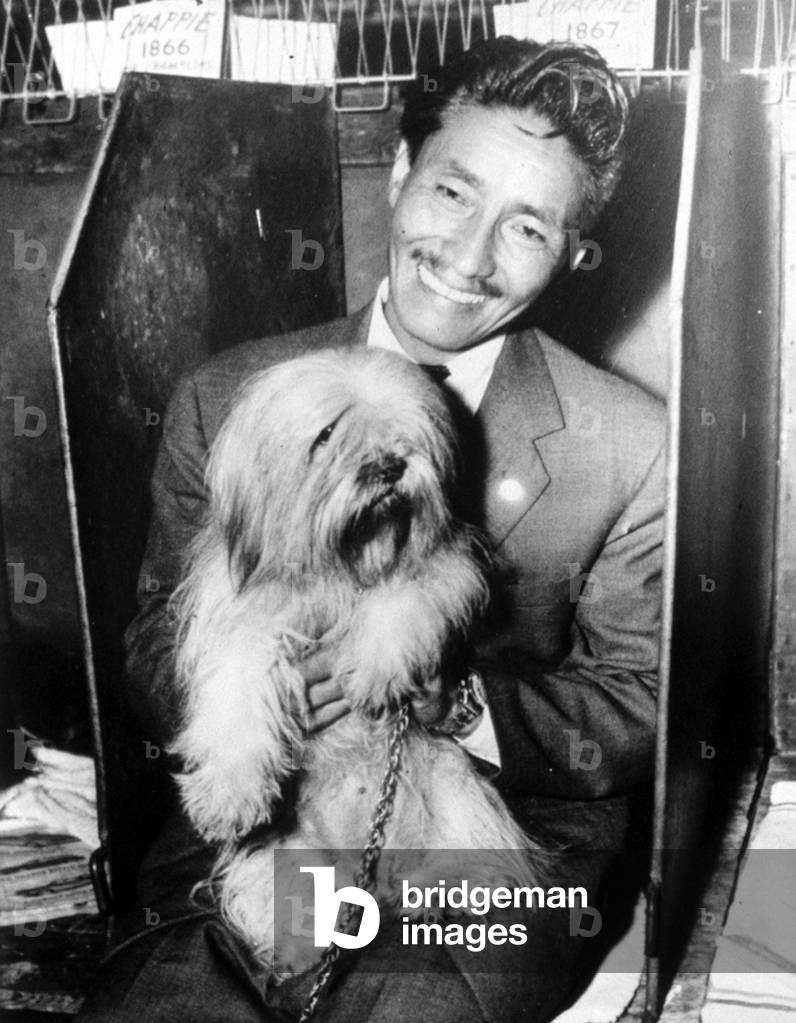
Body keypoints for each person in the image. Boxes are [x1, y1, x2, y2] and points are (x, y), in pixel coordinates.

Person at [78, 36, 666, 1023]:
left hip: (488, 839)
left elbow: (642, 701)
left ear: (571, 250)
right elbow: (149, 634)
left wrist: (464, 703)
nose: (471, 258)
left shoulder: (630, 440)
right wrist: (255, 693)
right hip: (262, 827)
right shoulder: (223, 395)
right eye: (451, 192)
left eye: (527, 227)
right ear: (397, 172)